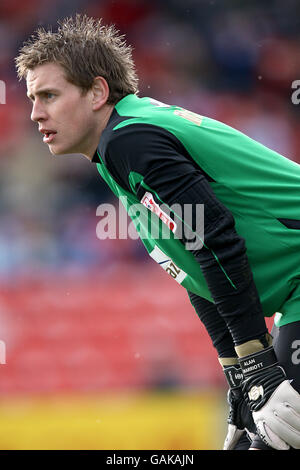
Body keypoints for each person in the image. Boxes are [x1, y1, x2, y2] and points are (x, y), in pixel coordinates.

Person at [15, 14, 300, 450]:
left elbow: (215, 242)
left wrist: (257, 365)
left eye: (49, 95)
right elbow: (196, 273)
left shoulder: (130, 142)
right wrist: (240, 376)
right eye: (33, 98)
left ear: (97, 93)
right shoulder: (123, 144)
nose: (35, 113)